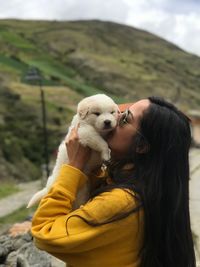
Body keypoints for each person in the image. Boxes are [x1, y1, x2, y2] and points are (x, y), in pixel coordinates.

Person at [31, 96, 196, 267]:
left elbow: (44, 233)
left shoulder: (121, 202)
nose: (115, 119)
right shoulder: (151, 189)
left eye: (125, 118)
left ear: (141, 146)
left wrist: (74, 167)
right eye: (119, 112)